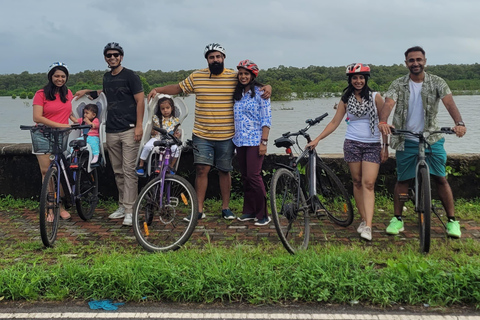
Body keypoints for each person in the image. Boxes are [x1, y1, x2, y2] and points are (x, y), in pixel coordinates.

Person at [147, 43, 271, 222]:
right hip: (202, 133)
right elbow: (178, 88)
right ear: (207, 59)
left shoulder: (233, 76)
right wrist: (158, 90)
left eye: (218, 56)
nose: (215, 60)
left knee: (224, 170)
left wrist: (268, 86)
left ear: (223, 58)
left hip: (227, 135)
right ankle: (198, 210)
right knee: (201, 170)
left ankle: (226, 208)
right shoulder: (197, 76)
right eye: (211, 57)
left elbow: (250, 80)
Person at [378, 46, 467, 238]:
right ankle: (397, 218)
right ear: (406, 63)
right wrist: (383, 121)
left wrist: (459, 123)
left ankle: (452, 221)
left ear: (425, 61)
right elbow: (388, 103)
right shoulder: (398, 84)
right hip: (405, 138)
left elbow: (449, 103)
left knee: (440, 178)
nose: (415, 63)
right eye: (411, 60)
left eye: (419, 59)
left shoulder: (437, 82)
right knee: (402, 180)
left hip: (432, 138)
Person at [306, 63, 388, 241]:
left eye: (361, 78)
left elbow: (384, 122)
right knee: (357, 182)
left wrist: (385, 146)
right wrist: (318, 139)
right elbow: (335, 122)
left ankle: (368, 226)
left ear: (366, 79)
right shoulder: (346, 99)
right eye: (355, 78)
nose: (358, 81)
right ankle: (364, 219)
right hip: (352, 144)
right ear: (350, 80)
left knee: (368, 183)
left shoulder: (375, 97)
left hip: (372, 144)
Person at [74, 42, 145, 226]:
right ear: (105, 58)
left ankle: (131, 209)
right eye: (108, 55)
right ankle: (122, 205)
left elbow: (140, 101)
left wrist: (139, 126)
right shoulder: (107, 77)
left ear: (121, 56)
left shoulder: (131, 76)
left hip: (129, 129)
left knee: (129, 171)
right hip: (111, 130)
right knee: (118, 171)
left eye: (115, 54)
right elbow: (106, 93)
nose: (112, 57)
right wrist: (88, 92)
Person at [32, 62, 74, 220]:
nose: (60, 79)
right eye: (57, 76)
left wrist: (78, 120)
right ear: (51, 76)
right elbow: (37, 117)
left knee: (60, 170)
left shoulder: (68, 93)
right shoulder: (41, 93)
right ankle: (49, 208)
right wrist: (62, 125)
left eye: (63, 76)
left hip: (61, 136)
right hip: (43, 135)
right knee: (46, 171)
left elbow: (68, 112)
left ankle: (60, 205)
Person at [232, 60, 272, 226]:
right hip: (239, 140)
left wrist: (264, 141)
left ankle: (263, 214)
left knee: (255, 176)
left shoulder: (261, 93)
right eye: (240, 74)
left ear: (252, 76)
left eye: (246, 74)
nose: (243, 77)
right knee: (246, 177)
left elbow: (266, 119)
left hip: (255, 140)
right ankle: (249, 211)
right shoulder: (237, 94)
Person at [137, 96, 180, 176]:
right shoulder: (156, 118)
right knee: (147, 146)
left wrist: (177, 135)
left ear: (172, 108)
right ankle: (141, 165)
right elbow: (152, 131)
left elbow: (176, 132)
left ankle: (171, 166)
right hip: (157, 138)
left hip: (170, 139)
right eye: (163, 109)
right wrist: (154, 131)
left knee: (176, 149)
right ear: (160, 110)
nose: (165, 110)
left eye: (167, 108)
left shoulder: (175, 120)